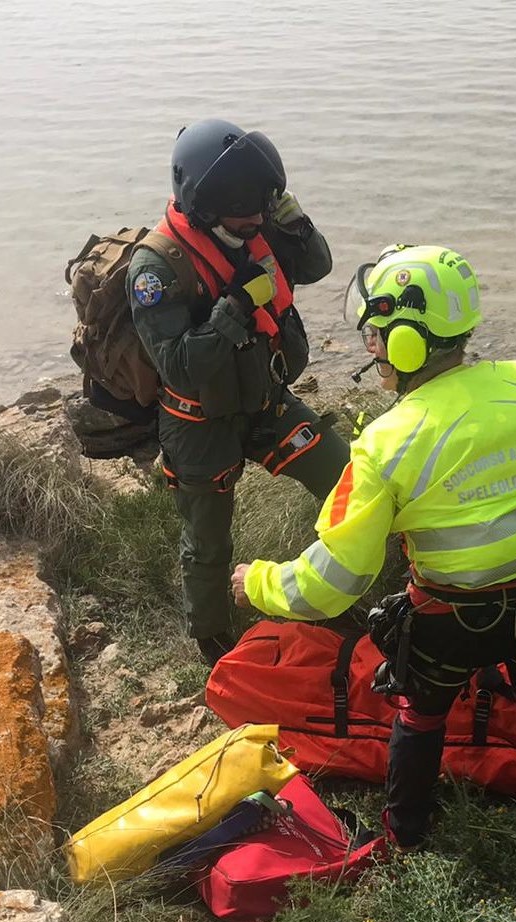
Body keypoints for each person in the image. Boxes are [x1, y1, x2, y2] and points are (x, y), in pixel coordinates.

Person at [230, 244, 516, 870]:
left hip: (455, 622)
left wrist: (258, 583)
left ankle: (407, 835)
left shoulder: (385, 443)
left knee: (419, 711)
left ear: (409, 341)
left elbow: (333, 583)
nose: (374, 350)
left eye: (379, 336)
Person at [128, 118, 351, 665]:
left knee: (348, 480)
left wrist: (294, 223)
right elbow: (179, 365)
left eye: (262, 206)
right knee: (208, 544)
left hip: (265, 401)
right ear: (202, 204)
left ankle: (340, 589)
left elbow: (317, 265)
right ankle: (212, 641)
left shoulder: (257, 226)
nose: (254, 220)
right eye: (243, 212)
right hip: (199, 421)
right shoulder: (157, 267)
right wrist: (234, 308)